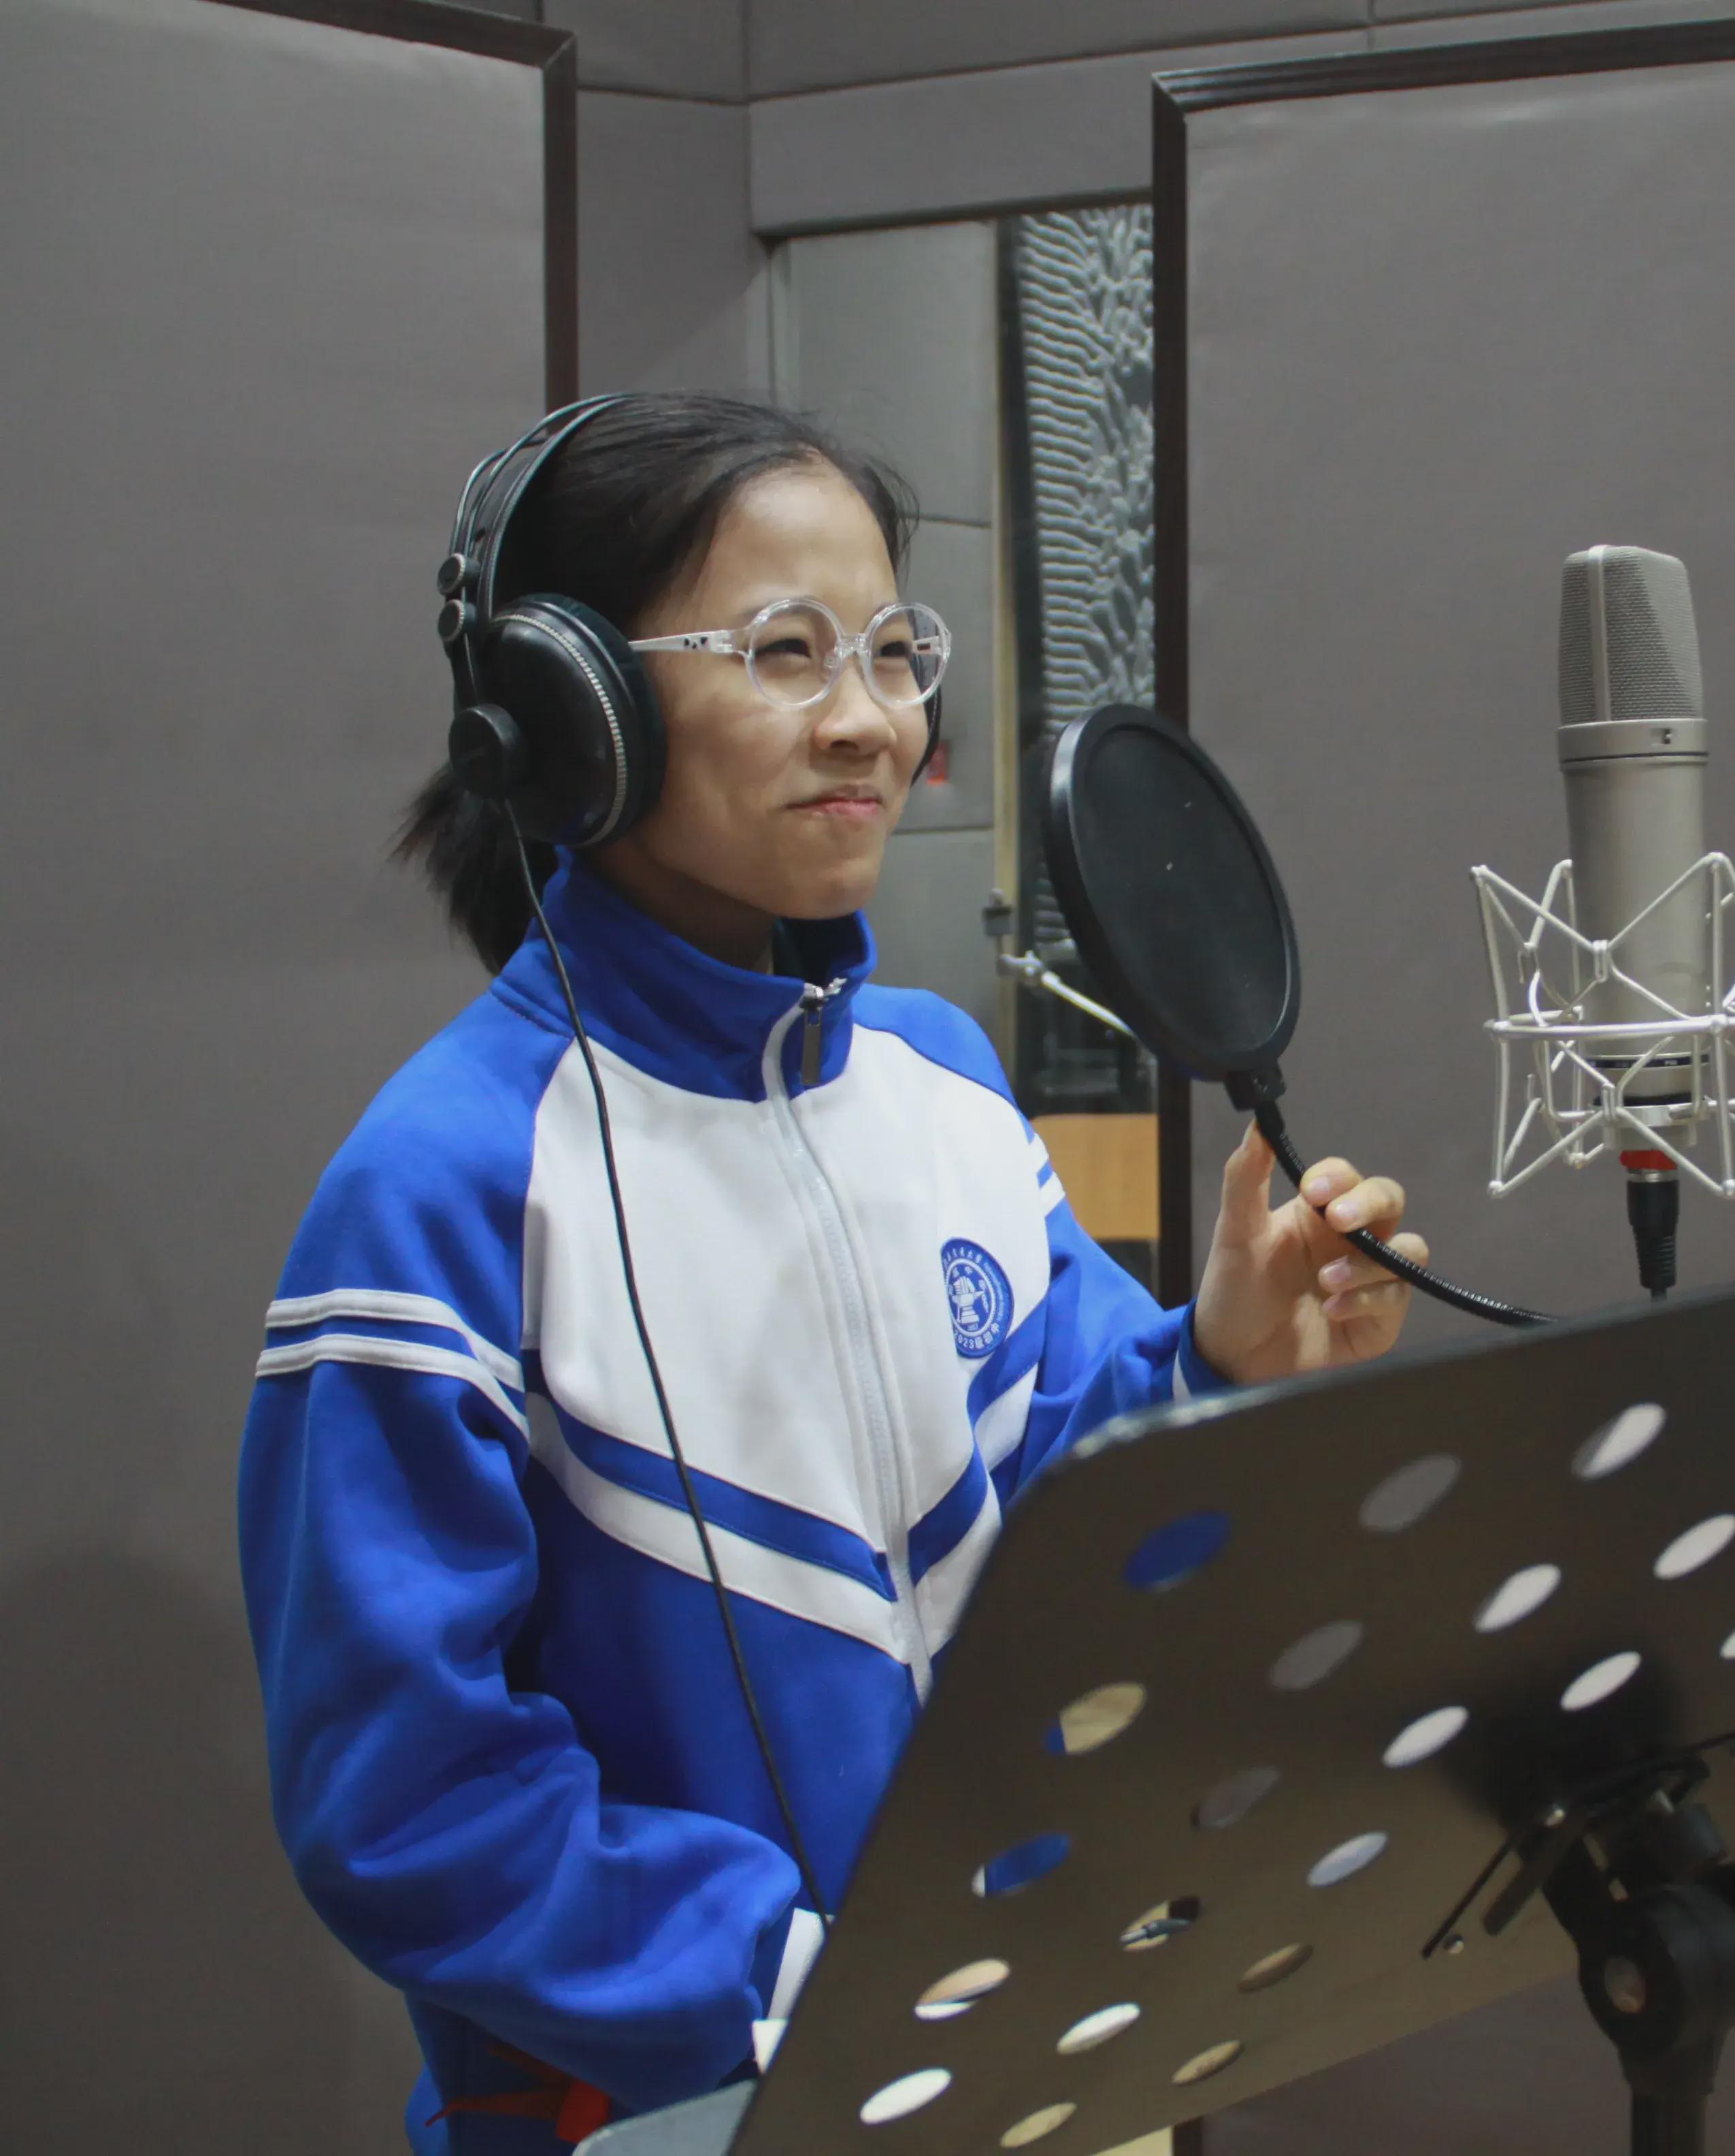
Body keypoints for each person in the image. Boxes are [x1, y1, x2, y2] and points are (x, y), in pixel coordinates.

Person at [237, 393, 1427, 2152]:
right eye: (785, 651)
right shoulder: (443, 1188)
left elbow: (1083, 1525)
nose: (870, 720)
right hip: (692, 2107)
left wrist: (1222, 1368)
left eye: (891, 650)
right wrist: (823, 1990)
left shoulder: (942, 1076)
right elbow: (409, 1800)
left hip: (1036, 2066)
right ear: (573, 705)